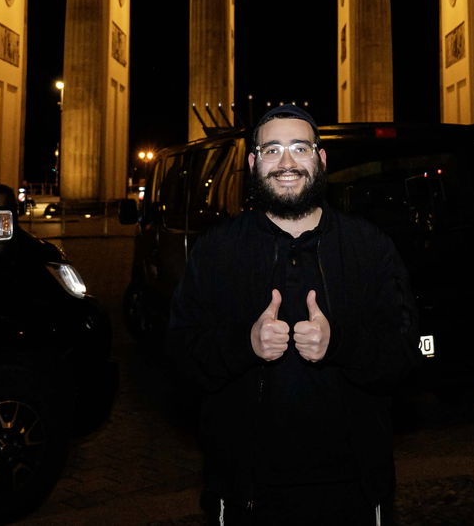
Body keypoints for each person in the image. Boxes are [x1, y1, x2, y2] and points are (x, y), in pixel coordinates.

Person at [168, 105, 418, 525]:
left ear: (320, 159)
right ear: (253, 163)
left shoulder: (370, 247)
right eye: (272, 150)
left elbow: (404, 357)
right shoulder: (215, 252)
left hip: (353, 491)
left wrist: (339, 344)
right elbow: (180, 358)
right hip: (247, 492)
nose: (286, 163)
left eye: (300, 148)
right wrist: (243, 345)